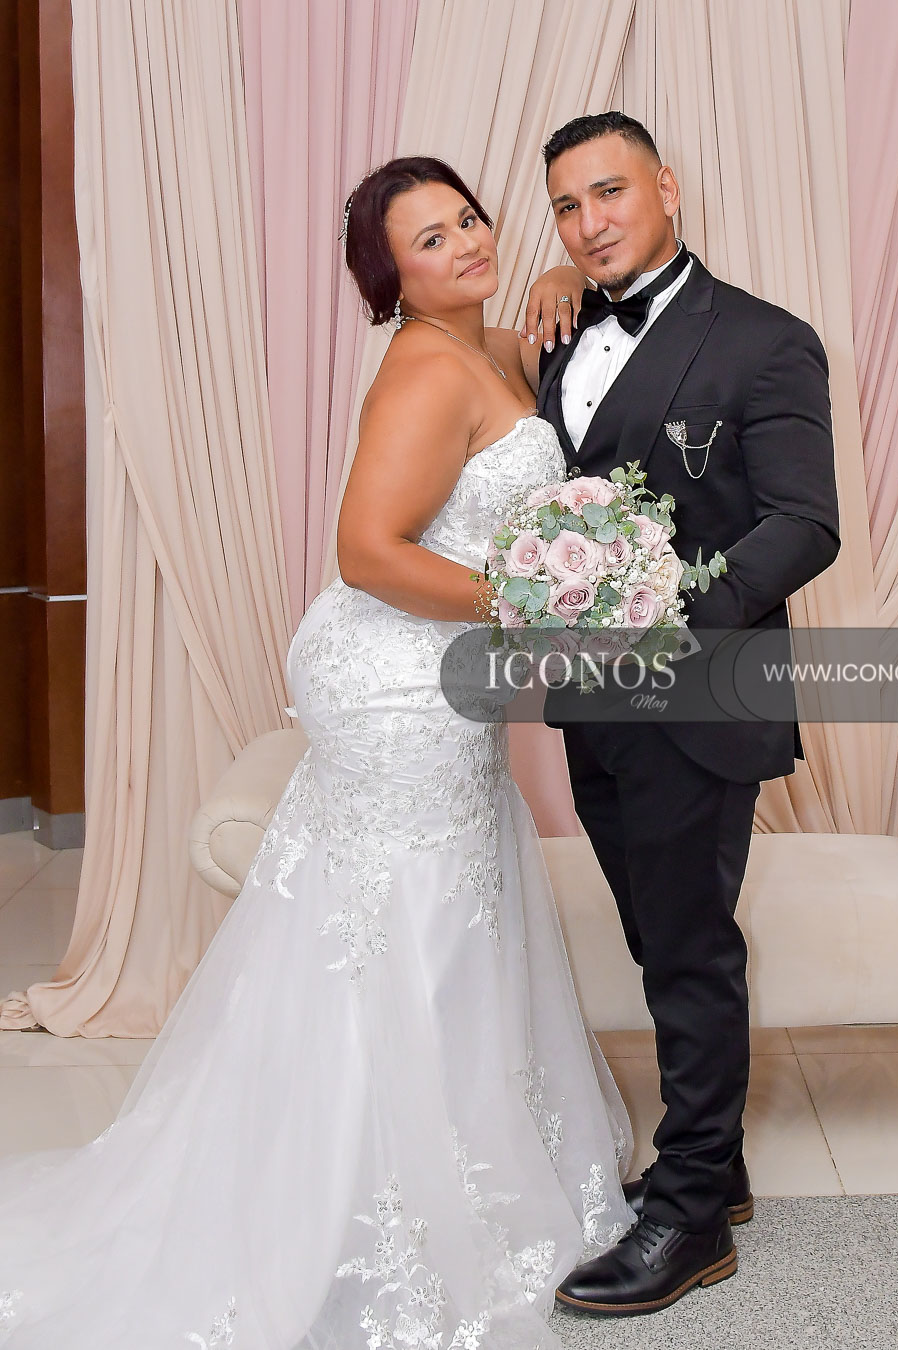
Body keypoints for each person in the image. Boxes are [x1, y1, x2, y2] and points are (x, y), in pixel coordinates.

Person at [0, 156, 632, 1350]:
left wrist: (562, 276)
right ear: (389, 278)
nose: (464, 243)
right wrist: (532, 606)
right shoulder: (423, 366)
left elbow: (560, 337)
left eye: (467, 220)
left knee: (452, 907)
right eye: (429, 240)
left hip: (445, 673)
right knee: (408, 921)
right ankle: (361, 1197)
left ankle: (440, 1158)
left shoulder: (496, 347)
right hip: (395, 679)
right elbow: (368, 552)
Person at [526, 112, 841, 1317]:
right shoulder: (563, 330)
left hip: (700, 694)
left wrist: (668, 610)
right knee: (659, 938)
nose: (589, 222)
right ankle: (721, 1162)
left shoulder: (766, 340)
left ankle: (693, 1209)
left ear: (666, 187)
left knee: (692, 948)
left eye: (609, 192)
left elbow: (803, 524)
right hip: (591, 703)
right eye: (567, 206)